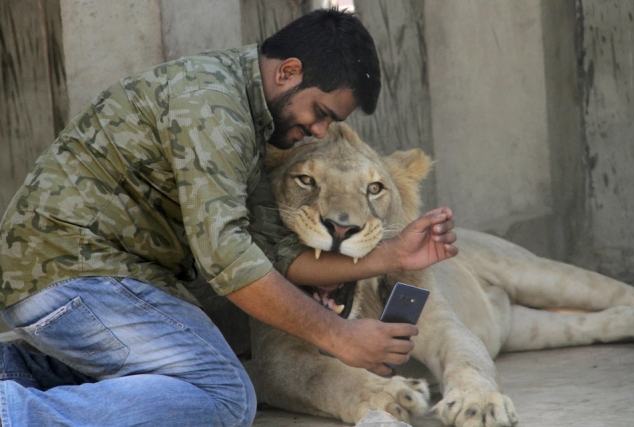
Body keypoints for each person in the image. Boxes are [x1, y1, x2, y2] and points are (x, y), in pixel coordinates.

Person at [0, 8, 457, 427]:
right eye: (320, 112)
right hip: (75, 276)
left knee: (182, 379)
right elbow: (230, 260)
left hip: (86, 280)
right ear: (288, 71)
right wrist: (340, 336)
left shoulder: (252, 118)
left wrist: (391, 255)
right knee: (226, 395)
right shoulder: (212, 107)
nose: (321, 131)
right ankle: (13, 414)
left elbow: (274, 255)